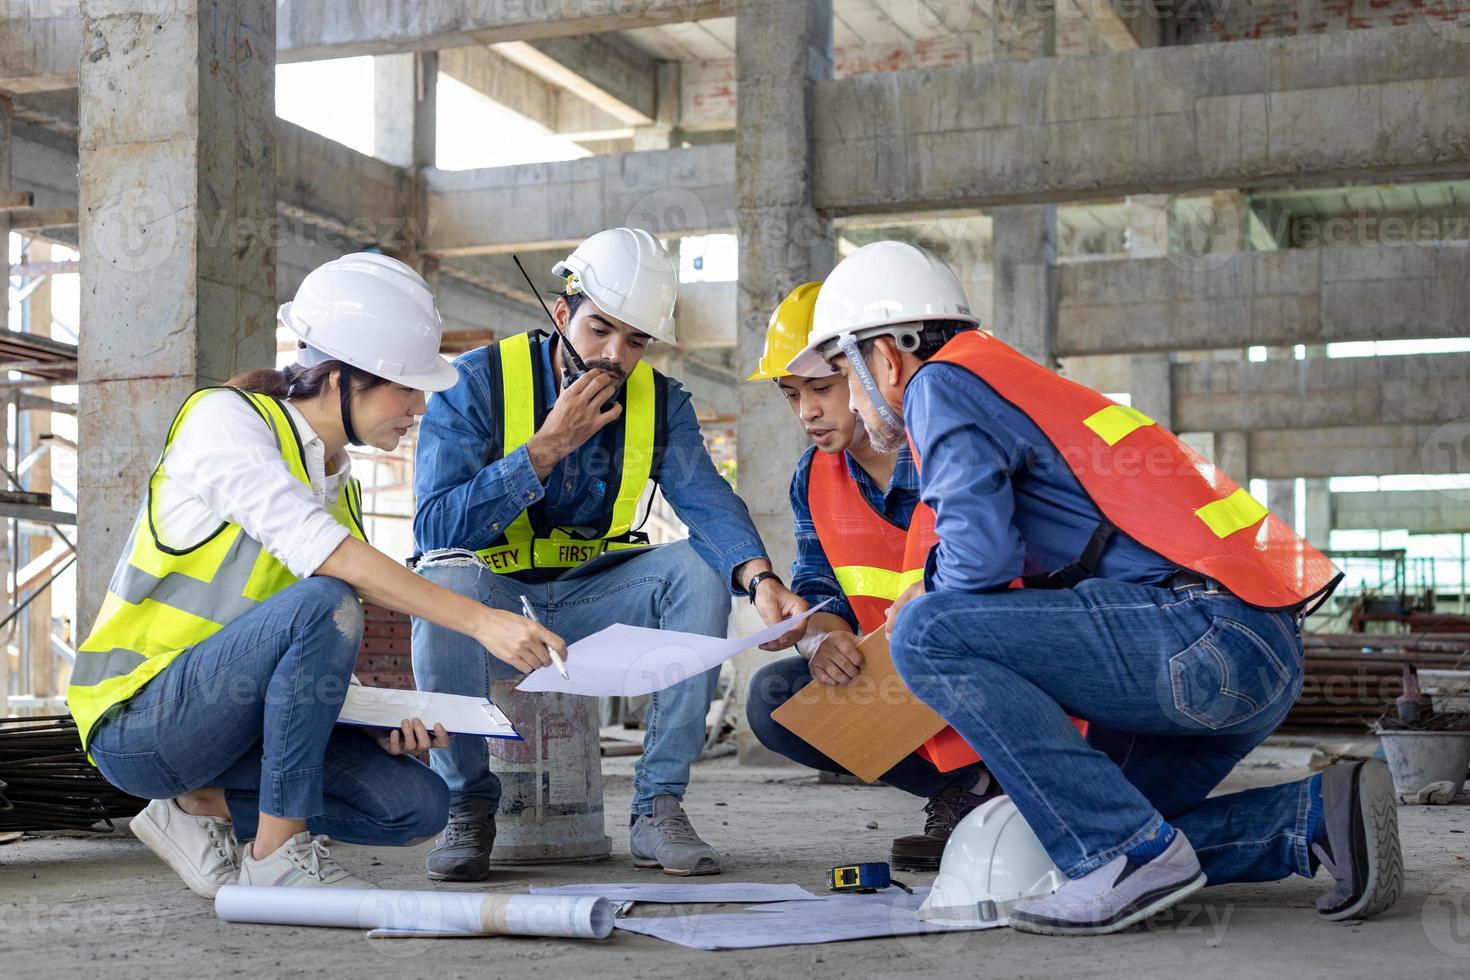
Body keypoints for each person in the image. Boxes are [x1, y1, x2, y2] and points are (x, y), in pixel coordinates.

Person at [785, 240, 1401, 936]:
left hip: (1195, 640)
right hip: (1250, 656)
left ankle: (1131, 853)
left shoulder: (940, 384)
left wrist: (922, 598)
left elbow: (978, 561)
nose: (853, 400)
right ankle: (1312, 818)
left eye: (843, 370)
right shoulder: (1005, 377)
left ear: (887, 357)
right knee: (1059, 832)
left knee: (931, 629)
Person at [70, 253, 567, 895]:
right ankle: (275, 857)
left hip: (233, 730)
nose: (419, 404)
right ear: (338, 378)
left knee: (416, 802)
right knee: (328, 595)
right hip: (142, 720)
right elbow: (322, 571)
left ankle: (196, 806)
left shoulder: (338, 486)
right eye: (403, 384)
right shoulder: (224, 422)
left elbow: (309, 645)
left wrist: (379, 720)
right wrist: (482, 621)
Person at [411, 227, 807, 880]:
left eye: (636, 340)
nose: (616, 355)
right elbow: (433, 528)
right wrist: (543, 450)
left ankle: (658, 805)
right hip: (497, 608)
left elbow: (706, 503)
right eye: (601, 330)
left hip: (596, 601)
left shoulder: (660, 403)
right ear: (562, 313)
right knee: (442, 576)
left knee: (700, 570)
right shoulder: (476, 383)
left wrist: (759, 577)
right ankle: (467, 806)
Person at [740, 283, 997, 872]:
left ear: (869, 369)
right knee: (773, 699)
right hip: (899, 676)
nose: (807, 411)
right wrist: (822, 638)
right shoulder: (813, 475)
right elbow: (822, 586)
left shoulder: (944, 443)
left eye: (823, 388)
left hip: (982, 660)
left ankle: (1022, 781)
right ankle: (962, 793)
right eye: (790, 395)